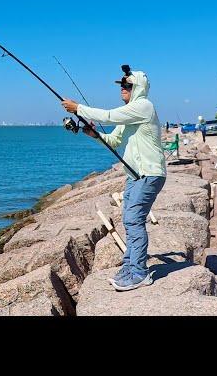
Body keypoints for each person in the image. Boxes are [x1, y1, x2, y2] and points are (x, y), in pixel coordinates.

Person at [61, 68, 166, 292]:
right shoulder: (130, 113)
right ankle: (130, 266)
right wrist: (93, 134)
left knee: (133, 219)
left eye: (127, 85)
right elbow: (114, 140)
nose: (122, 88)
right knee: (130, 220)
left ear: (137, 88)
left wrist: (78, 107)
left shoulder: (143, 107)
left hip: (149, 173)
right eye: (121, 85)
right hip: (135, 175)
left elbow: (108, 116)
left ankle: (140, 272)